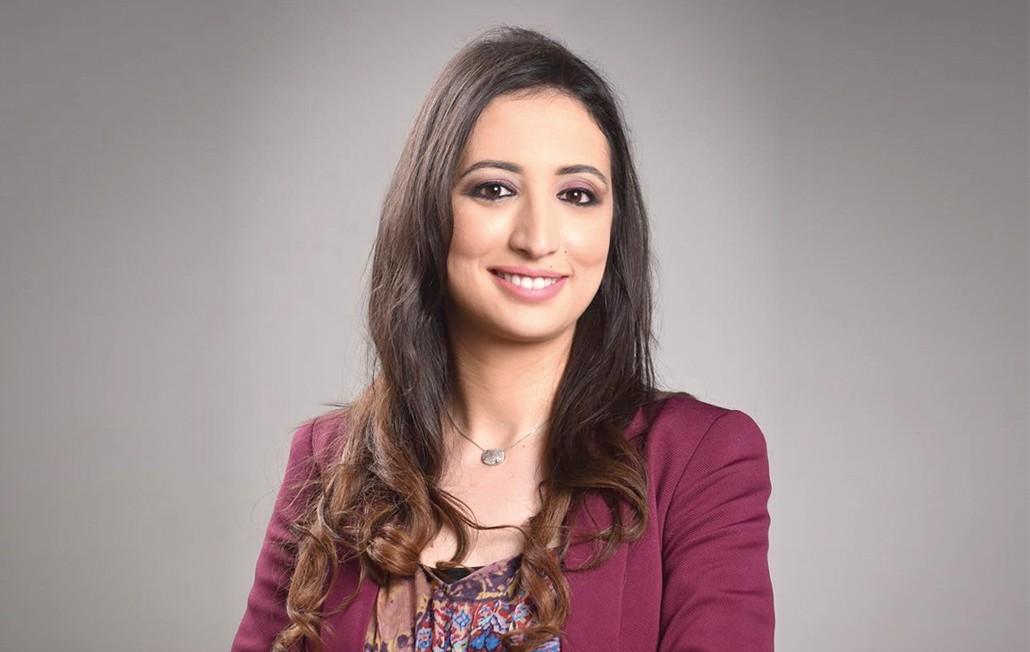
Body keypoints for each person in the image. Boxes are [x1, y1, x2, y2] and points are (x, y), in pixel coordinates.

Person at [232, 26, 774, 652]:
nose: (539, 237)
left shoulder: (700, 457)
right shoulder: (328, 460)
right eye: (495, 189)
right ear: (432, 211)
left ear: (612, 228)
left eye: (577, 194)